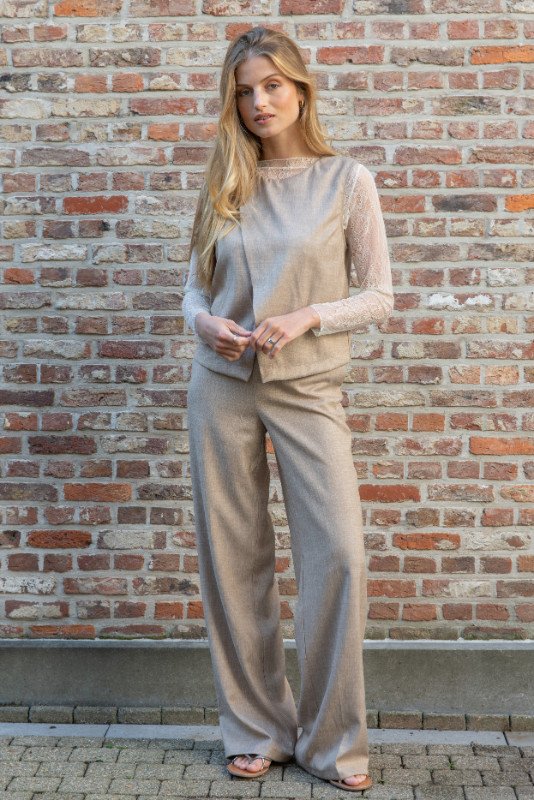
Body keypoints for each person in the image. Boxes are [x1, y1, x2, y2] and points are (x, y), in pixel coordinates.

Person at [181, 25, 393, 794]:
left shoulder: (346, 180)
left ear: (300, 89)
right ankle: (255, 730)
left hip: (308, 387)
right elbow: (195, 289)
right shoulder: (225, 180)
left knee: (338, 554)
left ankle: (333, 743)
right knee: (233, 560)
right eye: (244, 91)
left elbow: (379, 293)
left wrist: (308, 316)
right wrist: (204, 324)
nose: (259, 102)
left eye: (272, 85)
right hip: (222, 384)